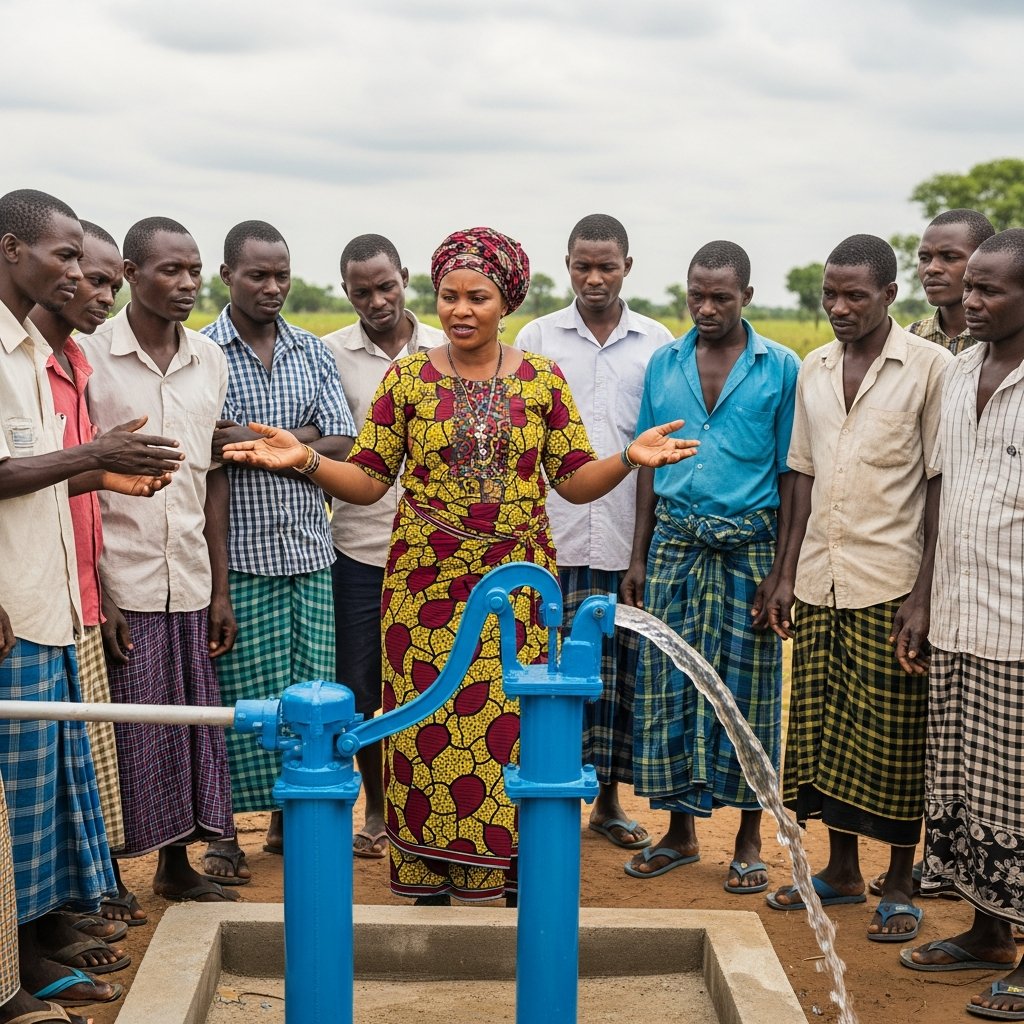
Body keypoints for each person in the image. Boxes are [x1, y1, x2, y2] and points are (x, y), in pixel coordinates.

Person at [220, 226, 698, 906]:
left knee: (512, 728)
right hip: (424, 590)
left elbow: (572, 481)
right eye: (448, 296)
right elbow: (369, 480)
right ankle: (427, 873)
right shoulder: (409, 378)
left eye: (478, 296)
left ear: (507, 300)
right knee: (422, 724)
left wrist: (629, 458)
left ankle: (506, 872)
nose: (461, 310)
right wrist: (306, 461)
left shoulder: (540, 380)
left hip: (517, 591)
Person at [0, 189, 185, 1010]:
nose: (80, 275)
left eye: (85, 259)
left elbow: (32, 470)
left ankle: (32, 947)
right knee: (16, 802)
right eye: (67, 257)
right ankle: (16, 970)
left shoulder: (26, 353)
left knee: (41, 794)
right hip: (15, 602)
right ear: (12, 250)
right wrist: (97, 449)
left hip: (44, 592)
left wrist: (103, 471)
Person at [765, 235, 952, 944]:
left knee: (894, 739)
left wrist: (924, 594)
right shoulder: (814, 368)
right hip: (820, 580)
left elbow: (938, 485)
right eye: (829, 296)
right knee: (824, 734)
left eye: (855, 296)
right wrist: (785, 573)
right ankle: (841, 871)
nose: (840, 309)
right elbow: (802, 475)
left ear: (889, 297)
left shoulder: (929, 369)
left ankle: (899, 882)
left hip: (890, 580)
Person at [621, 241, 798, 890]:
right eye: (697, 293)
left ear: (746, 296)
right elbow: (647, 463)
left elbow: (789, 476)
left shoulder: (780, 368)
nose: (707, 307)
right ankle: (679, 833)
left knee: (747, 691)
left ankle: (749, 841)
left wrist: (782, 573)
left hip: (749, 546)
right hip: (674, 543)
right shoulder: (663, 364)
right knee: (667, 687)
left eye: (721, 296)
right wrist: (637, 556)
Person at [80, 216, 237, 918]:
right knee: (119, 736)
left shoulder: (209, 358)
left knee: (186, 725)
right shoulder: (92, 355)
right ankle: (108, 878)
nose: (186, 285)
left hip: (192, 577)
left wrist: (222, 589)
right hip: (122, 577)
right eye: (170, 271)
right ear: (132, 276)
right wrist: (102, 592)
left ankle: (176, 864)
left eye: (194, 271)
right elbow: (79, 475)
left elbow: (209, 476)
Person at [199, 221, 355, 883]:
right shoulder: (203, 352)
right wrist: (299, 443)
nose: (272, 287)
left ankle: (294, 824)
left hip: (310, 555)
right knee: (241, 702)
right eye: (258, 275)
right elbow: (204, 445)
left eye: (281, 275)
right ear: (228, 275)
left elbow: (344, 441)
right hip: (240, 560)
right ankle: (227, 836)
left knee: (309, 695)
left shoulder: (311, 350)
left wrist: (255, 444)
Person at [515, 213, 672, 851]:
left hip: (625, 537)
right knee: (546, 669)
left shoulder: (656, 342)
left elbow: (656, 449)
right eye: (583, 265)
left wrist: (643, 549)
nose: (594, 277)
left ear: (628, 266)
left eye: (607, 265)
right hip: (550, 534)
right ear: (568, 265)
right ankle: (545, 796)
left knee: (616, 678)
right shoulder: (537, 337)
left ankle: (607, 802)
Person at [898, 229, 1024, 1021]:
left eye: (988, 290)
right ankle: (987, 934)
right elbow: (942, 489)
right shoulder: (964, 370)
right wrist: (921, 596)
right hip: (958, 616)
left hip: (1018, 628)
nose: (968, 301)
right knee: (968, 787)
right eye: (967, 286)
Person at [867, 207, 996, 904]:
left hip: (992, 578)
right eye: (927, 256)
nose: (937, 270)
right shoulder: (920, 347)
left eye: (953, 258)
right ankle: (948, 873)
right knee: (938, 740)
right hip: (925, 565)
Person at [323, 233, 443, 859]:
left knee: (428, 682)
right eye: (361, 291)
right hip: (359, 545)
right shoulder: (328, 354)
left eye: (386, 285)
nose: (376, 300)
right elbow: (333, 444)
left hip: (435, 553)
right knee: (363, 687)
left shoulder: (447, 350)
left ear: (405, 278)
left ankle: (428, 807)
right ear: (346, 292)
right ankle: (377, 806)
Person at [908, 209, 996, 355]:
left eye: (949, 257)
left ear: (984, 260)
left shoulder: (1005, 342)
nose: (931, 268)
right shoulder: (908, 341)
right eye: (924, 258)